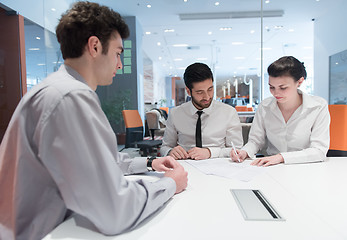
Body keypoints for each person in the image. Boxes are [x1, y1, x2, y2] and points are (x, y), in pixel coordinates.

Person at [0, 2, 188, 240]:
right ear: (95, 46)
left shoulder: (58, 89)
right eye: (118, 53)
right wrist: (170, 184)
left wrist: (150, 163)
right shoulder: (71, 97)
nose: (120, 64)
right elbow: (114, 211)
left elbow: (93, 164)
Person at [231, 56, 330, 166]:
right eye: (271, 87)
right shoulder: (265, 107)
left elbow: (319, 151)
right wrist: (244, 152)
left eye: (283, 88)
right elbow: (255, 141)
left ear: (300, 82)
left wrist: (281, 157)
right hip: (272, 167)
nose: (275, 93)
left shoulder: (318, 107)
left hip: (306, 166)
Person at [160, 62, 243, 160]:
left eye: (210, 89)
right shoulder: (175, 114)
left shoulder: (229, 113)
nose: (207, 97)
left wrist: (210, 152)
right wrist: (170, 151)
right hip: (185, 166)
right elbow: (164, 147)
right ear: (188, 91)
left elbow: (237, 149)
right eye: (200, 92)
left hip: (218, 166)